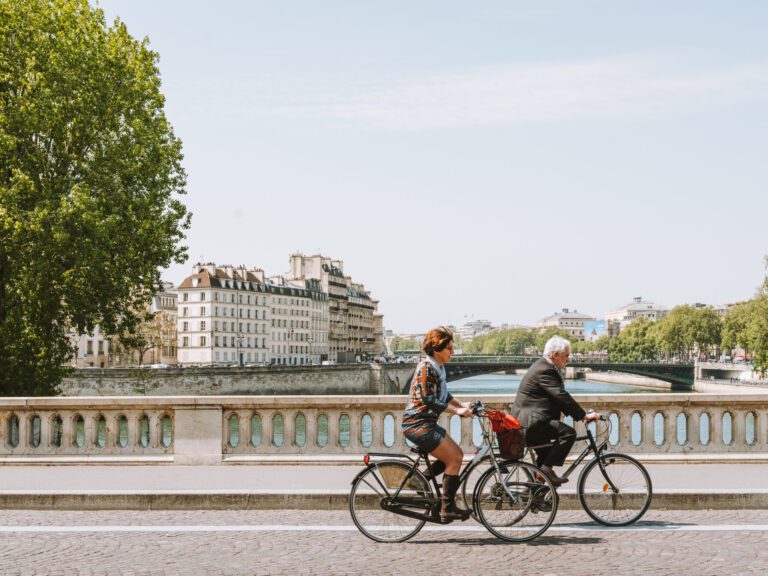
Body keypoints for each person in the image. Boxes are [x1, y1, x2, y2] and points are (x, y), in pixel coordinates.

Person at [402, 326, 473, 522]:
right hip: (417, 424)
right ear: (436, 349)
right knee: (456, 457)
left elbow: (444, 395)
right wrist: (457, 411)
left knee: (451, 456)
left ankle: (421, 480)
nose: (453, 352)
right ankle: (447, 508)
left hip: (426, 423)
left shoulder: (437, 368)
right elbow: (428, 399)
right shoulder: (426, 368)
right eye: (449, 348)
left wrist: (462, 405)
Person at [511, 335, 601, 486]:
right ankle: (545, 472)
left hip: (530, 421)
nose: (568, 360)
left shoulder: (543, 366)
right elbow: (560, 395)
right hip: (532, 423)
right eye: (566, 356)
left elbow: (557, 397)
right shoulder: (545, 370)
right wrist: (583, 415)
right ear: (555, 355)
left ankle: (535, 492)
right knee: (569, 433)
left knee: (546, 457)